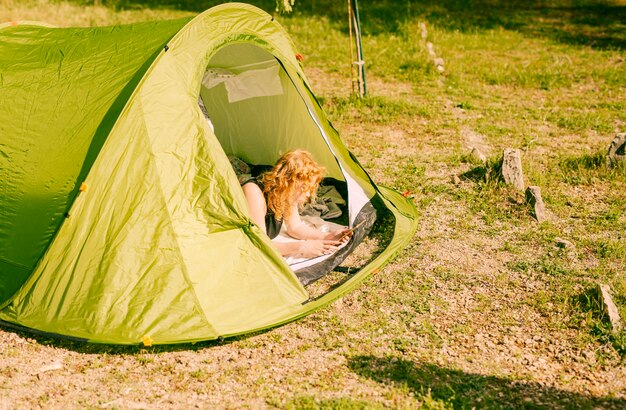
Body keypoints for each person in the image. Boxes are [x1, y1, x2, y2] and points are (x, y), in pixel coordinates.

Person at [241, 150, 352, 258]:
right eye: (304, 187)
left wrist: (327, 237)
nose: (308, 194)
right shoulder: (254, 193)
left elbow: (295, 227)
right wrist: (300, 247)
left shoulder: (285, 194)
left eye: (310, 188)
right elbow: (259, 243)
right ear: (286, 181)